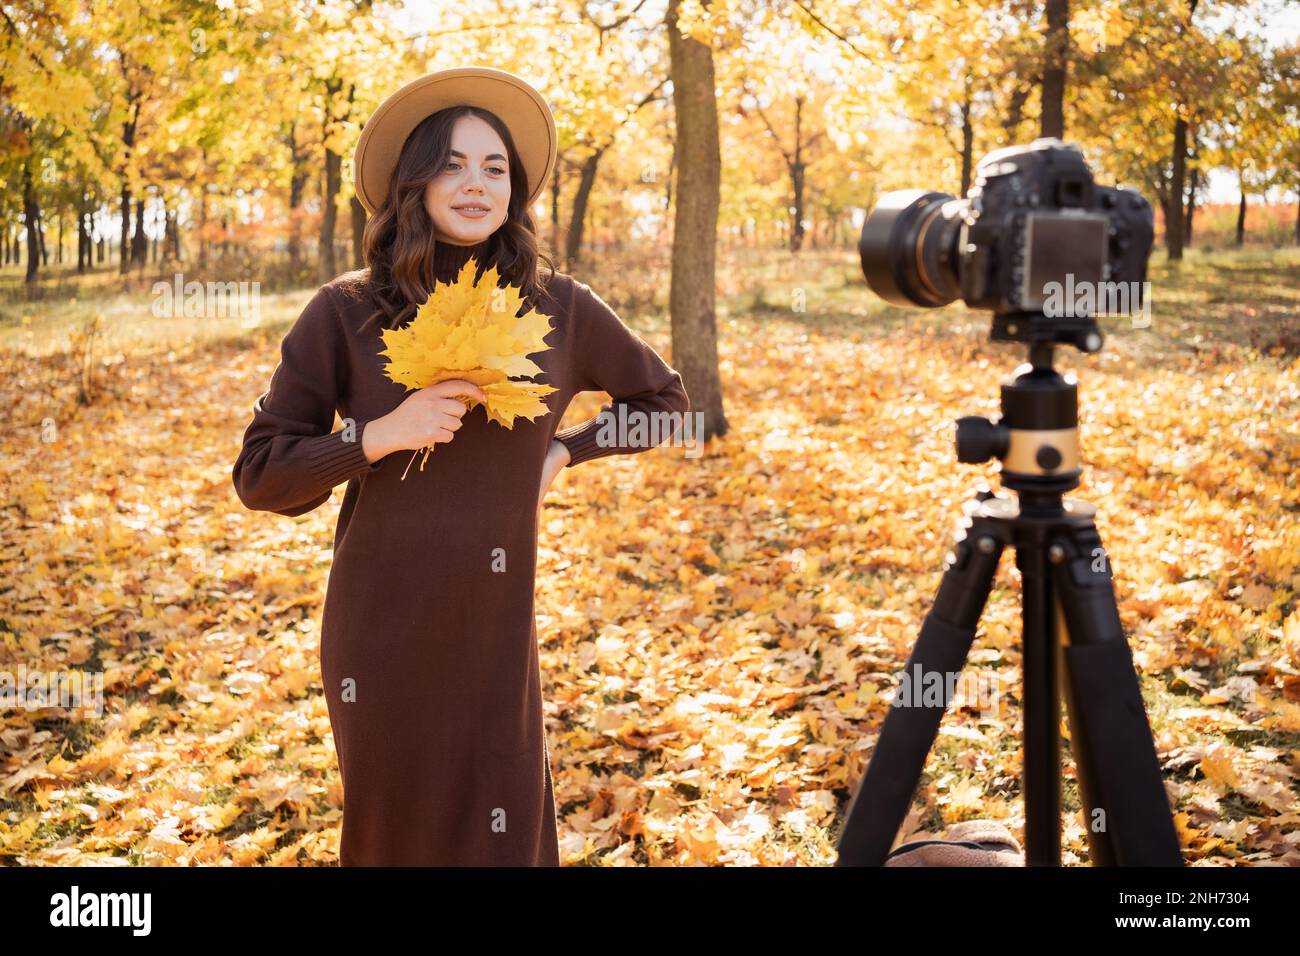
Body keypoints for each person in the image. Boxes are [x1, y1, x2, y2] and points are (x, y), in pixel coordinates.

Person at [231, 67, 691, 865]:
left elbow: (669, 404)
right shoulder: (344, 311)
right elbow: (261, 473)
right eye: (452, 163)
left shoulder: (561, 306)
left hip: (495, 634)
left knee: (504, 834)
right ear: (414, 180)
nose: (475, 184)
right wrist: (375, 436)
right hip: (380, 632)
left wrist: (566, 449)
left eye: (495, 166)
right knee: (393, 840)